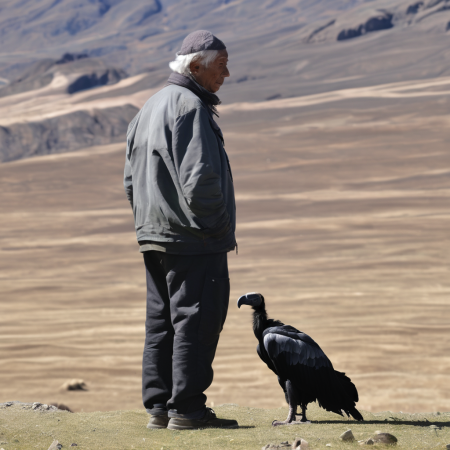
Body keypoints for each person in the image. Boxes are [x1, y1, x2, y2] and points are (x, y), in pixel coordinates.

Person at [123, 30, 237, 430]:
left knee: (163, 321)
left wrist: (149, 222)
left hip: (154, 235)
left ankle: (159, 407)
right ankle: (187, 409)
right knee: (196, 319)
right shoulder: (189, 107)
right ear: (195, 66)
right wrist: (217, 228)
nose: (226, 74)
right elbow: (200, 179)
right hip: (193, 237)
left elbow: (130, 181)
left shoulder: (149, 107)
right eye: (220, 66)